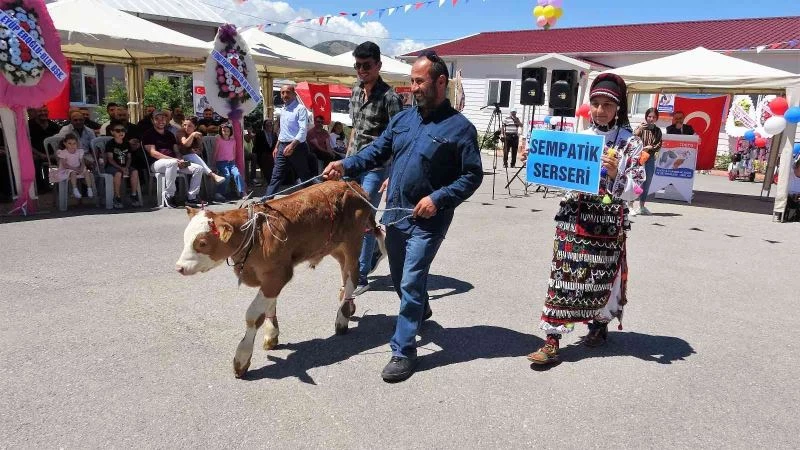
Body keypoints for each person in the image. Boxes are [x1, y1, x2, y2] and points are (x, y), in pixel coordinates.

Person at [323, 51, 484, 382]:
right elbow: (376, 151)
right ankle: (420, 307)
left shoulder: (460, 129)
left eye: (419, 81)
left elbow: (472, 176)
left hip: (429, 220)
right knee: (399, 278)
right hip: (396, 215)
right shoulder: (402, 120)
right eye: (411, 81)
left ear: (441, 82)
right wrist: (345, 164)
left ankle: (403, 349)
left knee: (411, 278)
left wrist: (439, 198)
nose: (413, 87)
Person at [524, 73, 646, 366]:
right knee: (562, 277)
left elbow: (637, 189)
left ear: (619, 108)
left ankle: (600, 324)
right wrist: (538, 157)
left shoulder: (631, 145)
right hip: (573, 218)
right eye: (595, 103)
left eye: (607, 104)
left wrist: (616, 174)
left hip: (607, 221)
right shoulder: (577, 139)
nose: (601, 110)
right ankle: (552, 340)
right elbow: (559, 175)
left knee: (602, 279)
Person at [347, 41, 405, 295]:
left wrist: (392, 174)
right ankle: (371, 253)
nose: (362, 70)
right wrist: (345, 161)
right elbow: (355, 130)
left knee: (363, 219)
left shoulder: (390, 98)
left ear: (378, 65)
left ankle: (360, 276)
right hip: (353, 164)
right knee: (351, 217)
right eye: (358, 65)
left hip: (377, 168)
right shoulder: (355, 91)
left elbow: (400, 139)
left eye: (367, 65)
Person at [142, 110, 203, 208]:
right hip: (156, 164)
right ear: (152, 121)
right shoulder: (148, 134)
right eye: (157, 119)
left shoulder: (169, 134)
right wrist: (174, 160)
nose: (160, 121)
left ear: (166, 120)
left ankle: (191, 197)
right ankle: (169, 194)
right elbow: (153, 153)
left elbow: (177, 151)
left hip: (174, 162)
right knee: (172, 163)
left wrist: (180, 159)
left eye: (163, 118)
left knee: (198, 168)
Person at [263, 84, 313, 199]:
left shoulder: (300, 109)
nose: (285, 95)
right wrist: (277, 146)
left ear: (294, 94)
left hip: (297, 146)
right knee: (276, 175)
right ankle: (266, 201)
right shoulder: (283, 109)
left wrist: (292, 145)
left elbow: (303, 130)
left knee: (304, 176)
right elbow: (283, 131)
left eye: (288, 92)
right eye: (282, 92)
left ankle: (313, 199)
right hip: (282, 146)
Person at [176, 118, 226, 188]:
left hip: (190, 163)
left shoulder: (197, 134)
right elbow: (185, 143)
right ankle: (213, 175)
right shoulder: (181, 132)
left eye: (189, 126)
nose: (186, 127)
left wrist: (197, 149)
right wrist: (192, 135)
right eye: (184, 125)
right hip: (181, 162)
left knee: (199, 167)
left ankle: (195, 196)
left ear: (195, 127)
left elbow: (200, 149)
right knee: (193, 157)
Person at [631, 107, 662, 216]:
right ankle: (630, 205)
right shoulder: (641, 127)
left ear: (656, 118)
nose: (651, 119)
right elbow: (633, 139)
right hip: (638, 157)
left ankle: (642, 206)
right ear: (646, 117)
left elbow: (659, 144)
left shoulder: (658, 130)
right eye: (649, 116)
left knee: (647, 182)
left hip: (650, 158)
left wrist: (650, 148)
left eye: (654, 117)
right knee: (636, 181)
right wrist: (638, 130)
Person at [104, 124, 142, 208]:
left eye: (123, 130)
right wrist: (121, 168)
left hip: (125, 166)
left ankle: (134, 194)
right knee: (118, 173)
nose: (121, 132)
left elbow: (129, 158)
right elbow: (110, 159)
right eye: (117, 131)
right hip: (112, 167)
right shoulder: (110, 144)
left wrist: (127, 167)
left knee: (135, 171)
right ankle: (117, 197)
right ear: (112, 132)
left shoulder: (126, 143)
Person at [28, 105, 62, 193]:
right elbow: (27, 144)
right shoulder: (28, 125)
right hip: (36, 154)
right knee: (34, 161)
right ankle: (40, 188)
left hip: (53, 154)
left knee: (65, 159)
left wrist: (54, 155)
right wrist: (40, 154)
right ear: (35, 113)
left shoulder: (54, 126)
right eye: (40, 111)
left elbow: (60, 143)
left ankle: (60, 186)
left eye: (45, 111)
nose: (43, 113)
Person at [55, 133, 95, 199]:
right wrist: (75, 169)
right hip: (67, 169)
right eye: (69, 143)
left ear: (77, 143)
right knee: (73, 173)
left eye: (74, 143)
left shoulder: (79, 151)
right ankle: (75, 189)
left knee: (87, 173)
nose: (72, 145)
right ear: (65, 143)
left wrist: (82, 168)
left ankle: (89, 189)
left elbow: (82, 162)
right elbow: (65, 165)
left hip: (78, 167)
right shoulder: (63, 152)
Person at [213, 122, 246, 200]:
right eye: (224, 131)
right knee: (227, 176)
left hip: (231, 163)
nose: (225, 133)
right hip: (221, 163)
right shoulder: (219, 140)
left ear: (230, 132)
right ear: (221, 131)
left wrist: (233, 162)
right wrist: (213, 163)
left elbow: (234, 152)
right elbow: (215, 152)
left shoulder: (233, 141)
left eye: (227, 131)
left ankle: (242, 192)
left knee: (237, 174)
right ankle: (220, 192)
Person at [253, 119, 277, 186]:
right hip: (262, 154)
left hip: (272, 154)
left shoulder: (274, 134)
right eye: (267, 125)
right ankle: (265, 181)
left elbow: (276, 145)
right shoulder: (260, 133)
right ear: (264, 126)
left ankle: (271, 181)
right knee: (264, 162)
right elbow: (256, 145)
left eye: (271, 125)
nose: (269, 126)